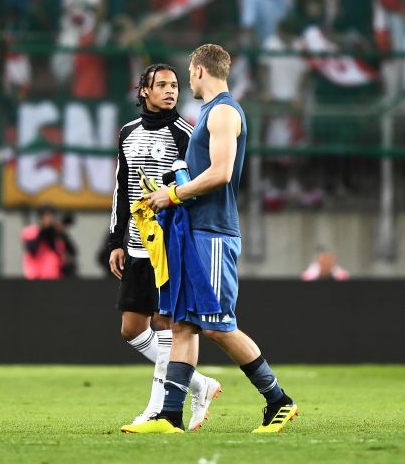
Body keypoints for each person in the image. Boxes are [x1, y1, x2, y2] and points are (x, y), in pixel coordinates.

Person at [123, 44, 298, 434]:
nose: (187, 80)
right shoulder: (208, 113)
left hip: (214, 232)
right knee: (184, 325)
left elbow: (220, 172)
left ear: (200, 70)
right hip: (195, 231)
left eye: (188, 72)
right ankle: (169, 416)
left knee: (218, 325)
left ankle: (279, 400)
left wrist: (171, 194)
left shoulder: (221, 111)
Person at [108, 63, 221, 430]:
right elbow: (121, 190)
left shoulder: (184, 133)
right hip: (138, 243)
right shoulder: (127, 132)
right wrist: (116, 239)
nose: (171, 91)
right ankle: (198, 383)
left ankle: (157, 409)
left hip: (169, 242)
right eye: (162, 85)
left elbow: (195, 186)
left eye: (175, 84)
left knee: (164, 324)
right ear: (144, 91)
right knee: (131, 328)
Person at [21, 205, 66, 280]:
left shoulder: (56, 235)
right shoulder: (30, 231)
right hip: (34, 277)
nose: (49, 220)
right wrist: (42, 230)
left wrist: (54, 233)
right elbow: (31, 249)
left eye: (51, 217)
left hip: (53, 276)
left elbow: (59, 252)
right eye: (46, 216)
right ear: (40, 217)